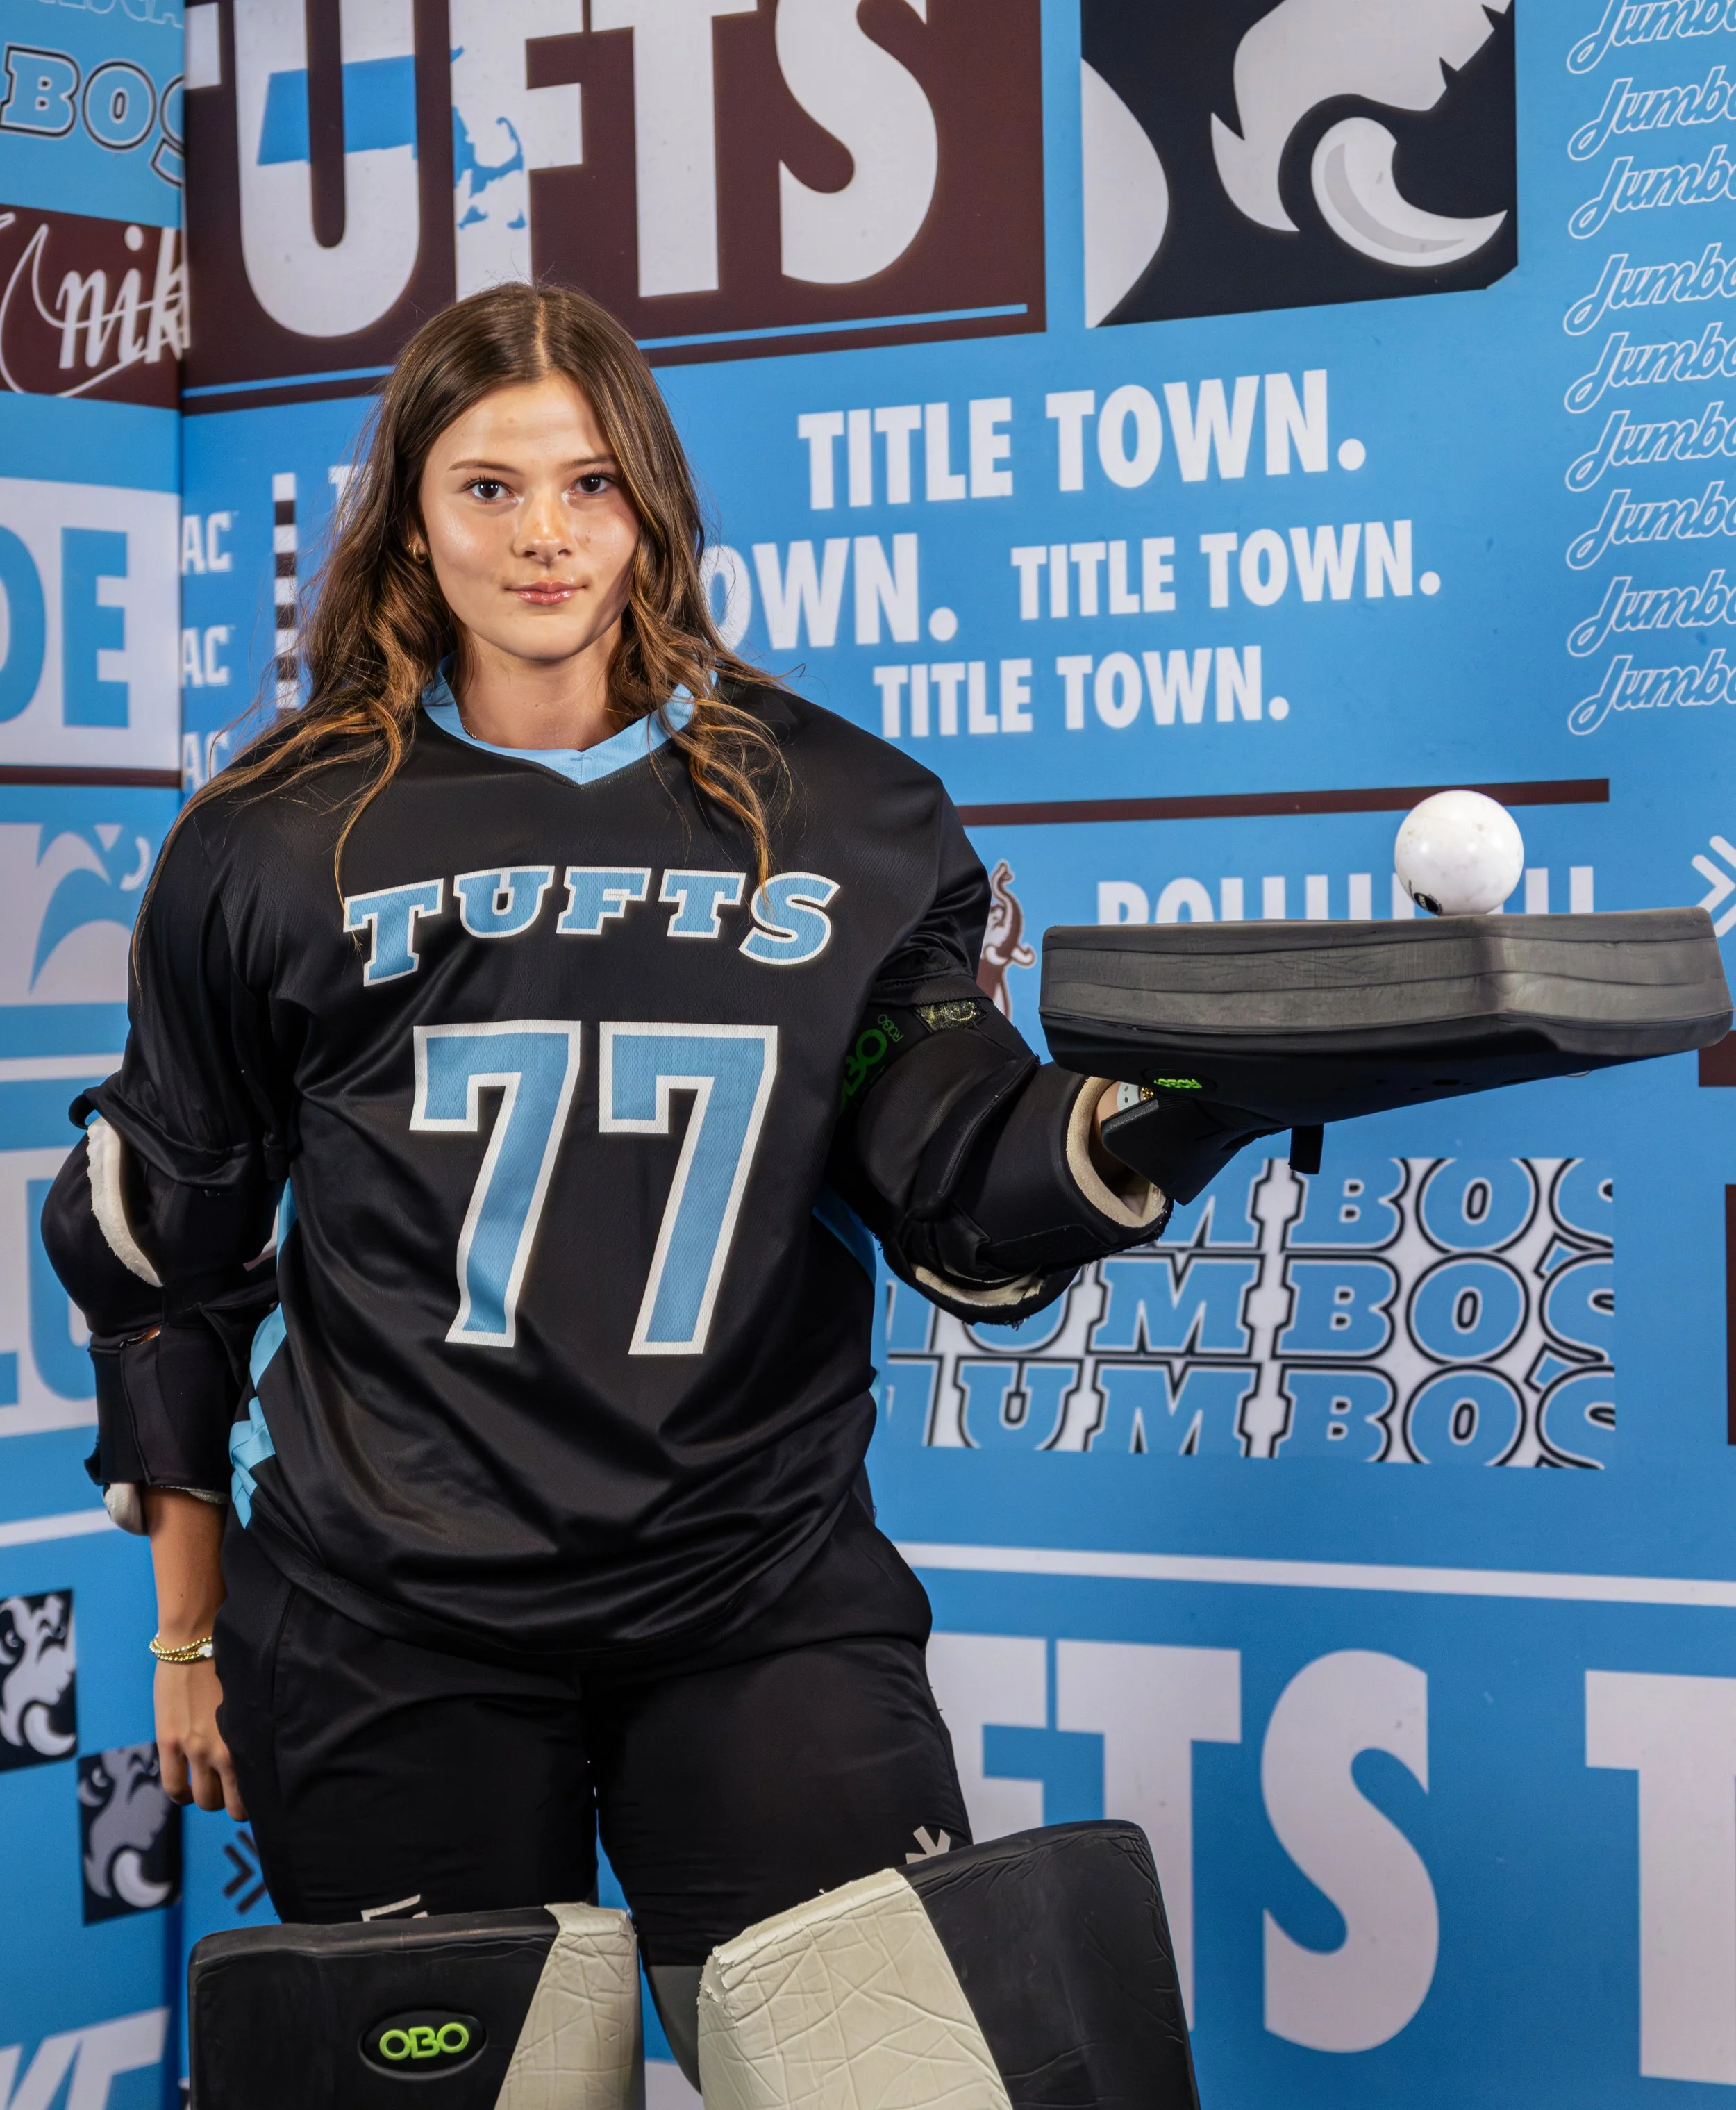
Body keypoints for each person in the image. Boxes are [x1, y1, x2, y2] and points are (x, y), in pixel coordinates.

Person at [42, 283, 1168, 2077]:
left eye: (588, 484)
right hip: (391, 1622)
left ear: (652, 507)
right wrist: (187, 1632)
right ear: (412, 517)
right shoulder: (271, 837)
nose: (543, 535)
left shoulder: (851, 816)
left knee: (905, 2076)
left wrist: (1168, 1111)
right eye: (488, 488)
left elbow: (953, 1178)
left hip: (759, 1594)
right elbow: (166, 1241)